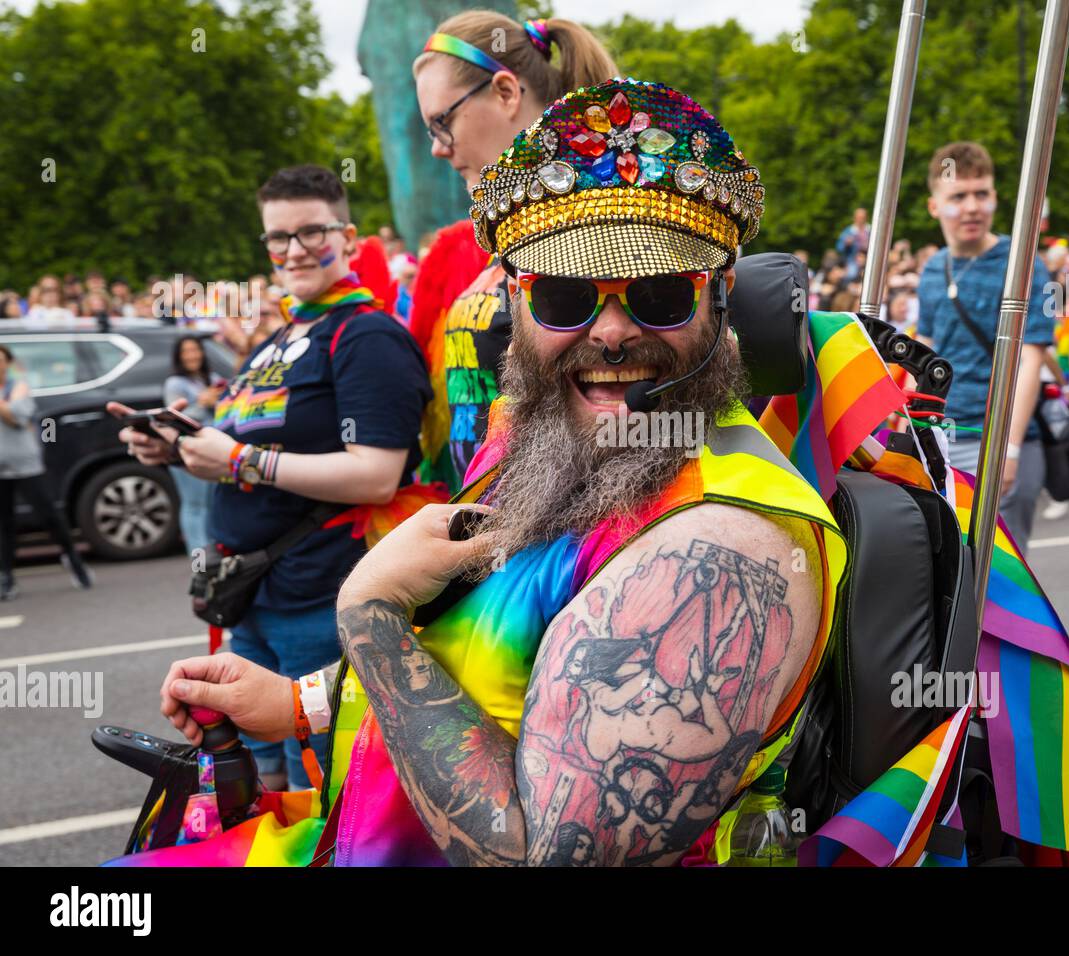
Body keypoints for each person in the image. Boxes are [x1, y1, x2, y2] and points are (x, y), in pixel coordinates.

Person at [156, 78, 847, 867]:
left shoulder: (727, 547)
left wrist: (370, 614)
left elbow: (544, 855)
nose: (612, 332)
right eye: (562, 297)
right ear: (515, 307)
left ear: (723, 304)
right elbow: (486, 656)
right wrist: (299, 701)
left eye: (659, 296)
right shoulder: (542, 445)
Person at [114, 164, 432, 792]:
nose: (293, 250)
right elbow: (251, 440)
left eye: (312, 232)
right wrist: (175, 450)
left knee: (323, 794)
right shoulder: (282, 335)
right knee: (247, 793)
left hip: (323, 598)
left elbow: (376, 476)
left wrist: (236, 462)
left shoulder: (366, 334)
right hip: (253, 599)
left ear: (348, 235)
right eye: (277, 238)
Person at [412, 12, 618, 492]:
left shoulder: (595, 221)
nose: (437, 150)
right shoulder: (509, 230)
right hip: (491, 532)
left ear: (506, 93)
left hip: (562, 542)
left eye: (442, 122)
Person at [916, 141, 1054, 548]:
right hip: (943, 437)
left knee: (1001, 577)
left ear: (995, 198)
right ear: (935, 206)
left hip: (1001, 438)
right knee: (950, 570)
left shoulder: (1023, 262)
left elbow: (1030, 360)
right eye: (958, 196)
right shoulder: (931, 268)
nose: (972, 206)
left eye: (982, 193)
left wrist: (1006, 448)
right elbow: (925, 351)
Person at [0, 345, 94, 597]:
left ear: (8, 364)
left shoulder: (17, 387)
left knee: (49, 516)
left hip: (25, 463)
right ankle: (6, 575)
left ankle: (73, 560)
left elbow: (17, 416)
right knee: (5, 524)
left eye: (1, 361)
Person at [163, 336, 223, 552]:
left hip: (213, 449)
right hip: (188, 448)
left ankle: (212, 554)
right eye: (186, 351)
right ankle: (199, 558)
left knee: (211, 504)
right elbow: (174, 417)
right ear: (179, 356)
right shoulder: (175, 383)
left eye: (195, 350)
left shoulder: (212, 378)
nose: (192, 355)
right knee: (194, 504)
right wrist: (201, 403)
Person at [836, 207, 870, 276]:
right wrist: (846, 244)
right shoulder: (848, 231)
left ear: (866, 218)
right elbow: (839, 248)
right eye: (859, 217)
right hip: (852, 261)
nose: (860, 220)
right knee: (851, 274)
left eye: (862, 217)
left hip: (869, 260)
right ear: (854, 218)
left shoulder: (871, 230)